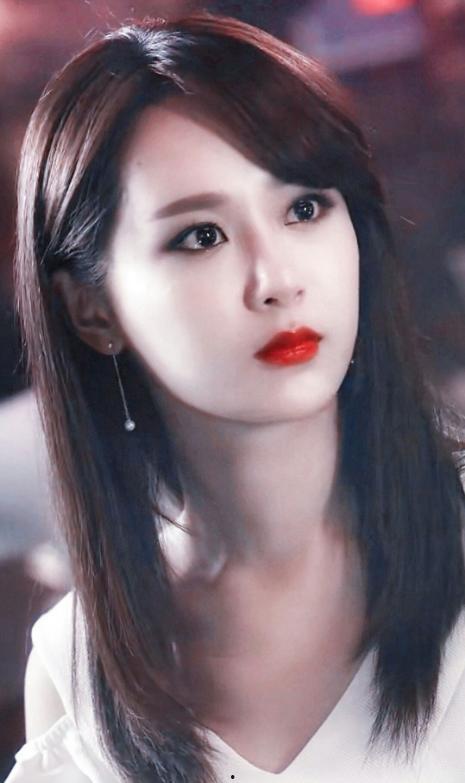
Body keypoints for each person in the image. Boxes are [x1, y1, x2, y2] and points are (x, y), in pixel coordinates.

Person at [6, 11, 465, 783]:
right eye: (201, 236)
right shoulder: (79, 675)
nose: (275, 278)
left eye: (303, 208)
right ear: (91, 308)